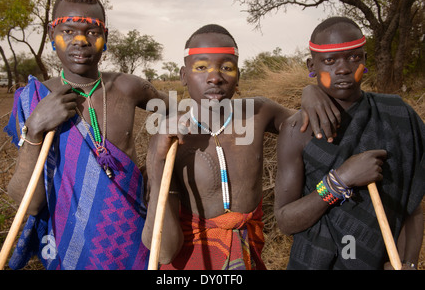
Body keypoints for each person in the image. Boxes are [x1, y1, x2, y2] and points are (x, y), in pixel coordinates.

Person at [141, 24, 341, 270]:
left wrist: (310, 92)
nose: (215, 77)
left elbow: (307, 124)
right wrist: (158, 163)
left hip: (247, 259)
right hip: (191, 264)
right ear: (184, 75)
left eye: (226, 67)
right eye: (201, 67)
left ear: (238, 77)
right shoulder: (169, 138)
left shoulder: (259, 112)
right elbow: (164, 252)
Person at [4, 0, 169, 270]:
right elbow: (28, 205)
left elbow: (177, 113)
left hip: (132, 241)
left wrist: (155, 166)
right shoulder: (34, 99)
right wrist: (34, 130)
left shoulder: (128, 87)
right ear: (51, 33)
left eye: (92, 32)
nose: (80, 41)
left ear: (105, 39)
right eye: (68, 30)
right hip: (70, 246)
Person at [274, 17, 424, 270]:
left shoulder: (398, 114)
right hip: (317, 262)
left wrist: (407, 263)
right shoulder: (296, 130)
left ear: (365, 60)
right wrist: (338, 182)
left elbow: (414, 203)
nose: (343, 69)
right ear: (312, 65)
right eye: (330, 61)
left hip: (384, 261)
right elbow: (286, 220)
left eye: (354, 58)